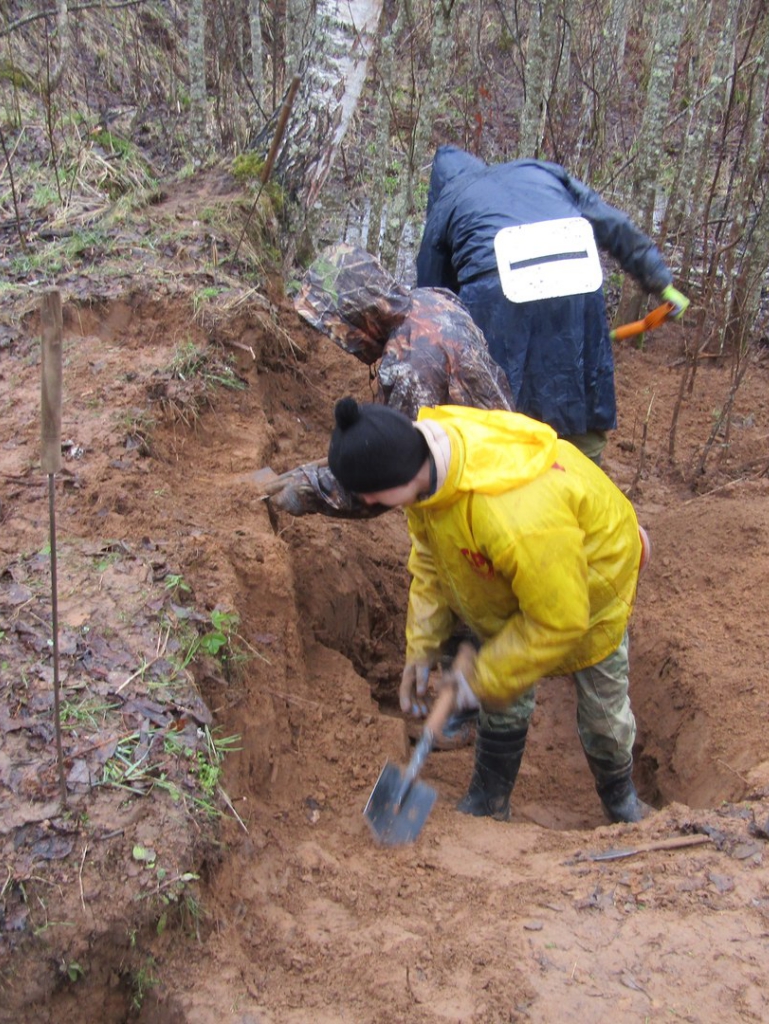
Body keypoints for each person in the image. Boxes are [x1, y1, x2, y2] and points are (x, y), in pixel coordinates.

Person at [326, 395, 652, 824]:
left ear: (394, 475)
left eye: (369, 495)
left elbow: (560, 618)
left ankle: (620, 795)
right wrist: (422, 647)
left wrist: (481, 675)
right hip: (509, 585)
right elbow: (430, 562)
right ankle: (489, 798)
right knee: (502, 696)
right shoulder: (429, 479)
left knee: (602, 714)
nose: (367, 504)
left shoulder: (515, 516)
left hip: (590, 596)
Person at [416, 144, 690, 465]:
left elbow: (432, 297)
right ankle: (583, 475)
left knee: (497, 401)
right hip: (578, 283)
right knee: (578, 375)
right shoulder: (538, 170)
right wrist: (660, 280)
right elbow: (612, 223)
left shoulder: (448, 201)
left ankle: (509, 476)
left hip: (497, 288)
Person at [264, 242, 513, 517]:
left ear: (357, 315)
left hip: (485, 487)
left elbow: (390, 470)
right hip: (502, 438)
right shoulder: (431, 299)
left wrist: (309, 490)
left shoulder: (411, 366)